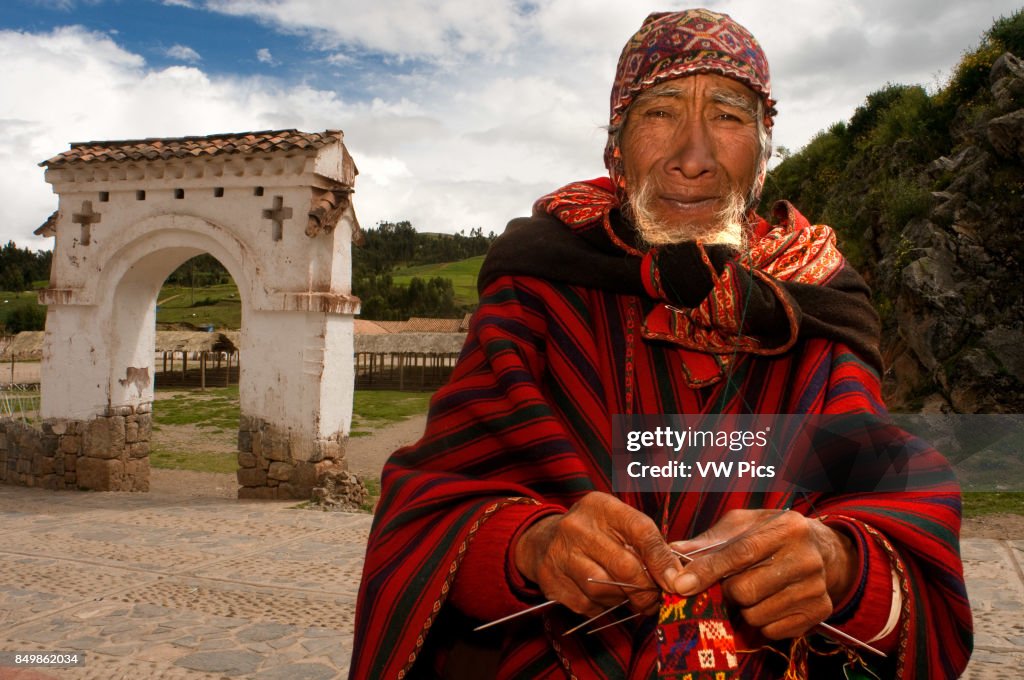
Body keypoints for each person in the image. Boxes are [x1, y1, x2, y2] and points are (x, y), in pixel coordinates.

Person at [349, 9, 972, 679]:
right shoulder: (538, 292)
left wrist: (839, 564)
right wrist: (531, 547)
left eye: (730, 117)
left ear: (764, 153)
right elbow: (425, 509)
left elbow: (890, 501)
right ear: (614, 151)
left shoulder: (817, 305)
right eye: (660, 113)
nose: (693, 158)